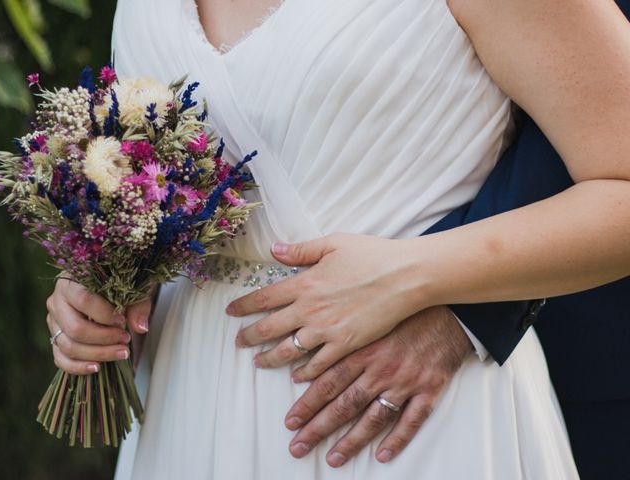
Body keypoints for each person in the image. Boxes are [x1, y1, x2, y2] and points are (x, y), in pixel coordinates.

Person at [43, 0, 630, 478]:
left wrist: (418, 274)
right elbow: (162, 166)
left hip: (403, 413)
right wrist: (106, 273)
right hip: (188, 397)